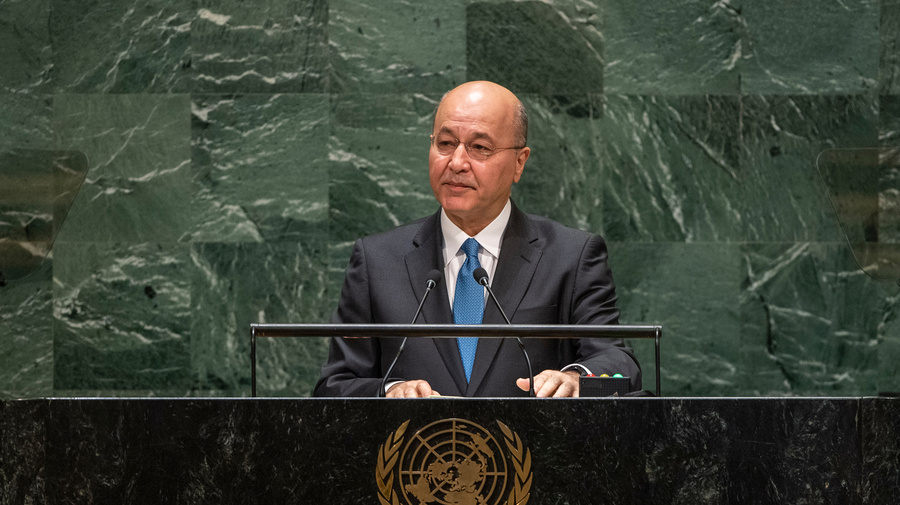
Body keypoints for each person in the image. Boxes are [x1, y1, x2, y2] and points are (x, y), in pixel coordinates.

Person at [314, 81, 640, 398]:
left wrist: (575, 379)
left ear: (519, 162)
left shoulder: (571, 256)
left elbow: (618, 365)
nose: (456, 163)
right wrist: (389, 392)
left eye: (480, 148)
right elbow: (334, 387)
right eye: (445, 143)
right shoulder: (377, 261)